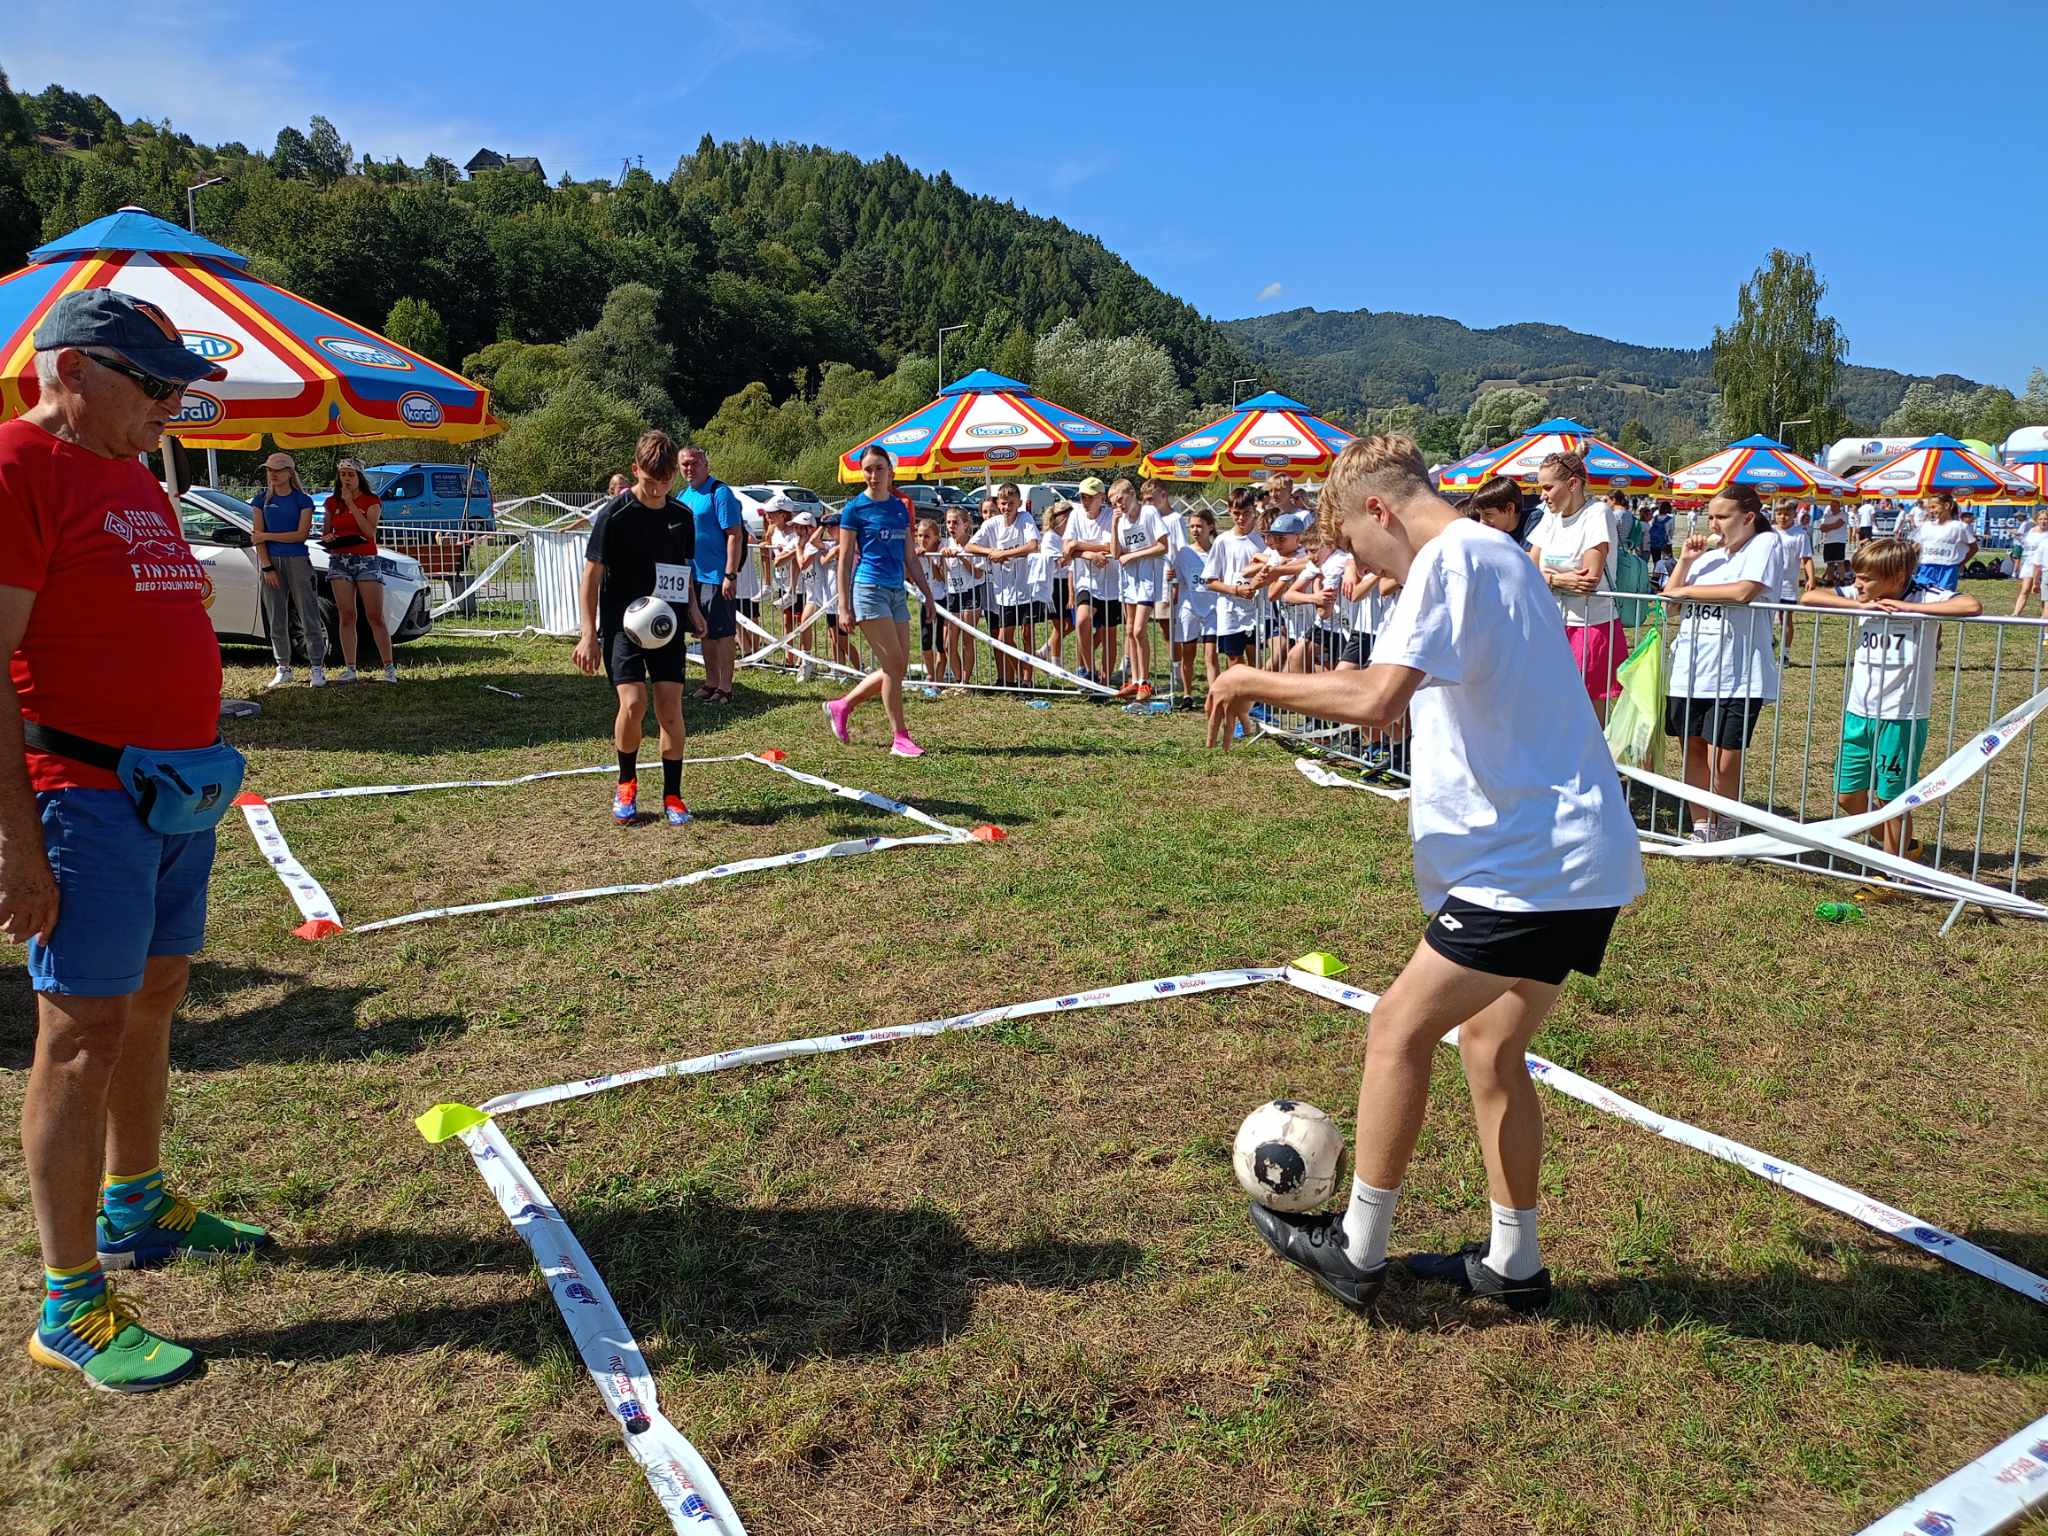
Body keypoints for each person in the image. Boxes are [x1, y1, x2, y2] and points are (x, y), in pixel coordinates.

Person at [1206, 434, 1643, 1317]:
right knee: (1490, 1046)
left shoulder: (1450, 558)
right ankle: (1514, 1263)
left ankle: (1357, 1248)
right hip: (1577, 859)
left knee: (1397, 1030)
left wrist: (1252, 679)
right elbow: (1420, 700)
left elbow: (1377, 700)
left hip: (1527, 866)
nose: (1366, 569)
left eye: (1359, 546)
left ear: (1380, 508)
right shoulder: (1498, 555)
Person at [5, 289, 265, 1393]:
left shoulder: (129, 471)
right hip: (80, 794)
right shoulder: (16, 466)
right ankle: (70, 1303)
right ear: (70, 370)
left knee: (156, 991)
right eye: (152, 384)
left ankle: (137, 1203)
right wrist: (16, 844)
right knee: (79, 1033)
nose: (172, 406)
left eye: (178, 388)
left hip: (172, 791)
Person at [1800, 537, 1980, 880]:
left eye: (1866, 578)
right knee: (1848, 796)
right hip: (1859, 712)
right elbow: (1809, 597)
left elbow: (1971, 605)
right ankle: (1901, 850)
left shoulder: (1924, 595)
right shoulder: (1861, 596)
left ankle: (1890, 873)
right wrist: (1859, 606)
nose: (1857, 583)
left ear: (1897, 577)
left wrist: (1909, 609)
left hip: (1901, 717)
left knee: (1891, 799)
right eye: (1857, 576)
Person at [573, 430, 705, 827]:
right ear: (635, 470)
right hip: (622, 628)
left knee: (670, 710)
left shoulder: (681, 516)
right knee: (633, 705)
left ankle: (673, 795)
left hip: (667, 626)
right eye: (650, 481)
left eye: (665, 481)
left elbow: (684, 570)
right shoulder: (614, 514)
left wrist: (694, 610)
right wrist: (588, 634)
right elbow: (591, 576)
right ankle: (626, 782)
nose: (658, 488)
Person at [1659, 485, 1785, 843]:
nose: (1713, 524)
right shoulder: (1706, 558)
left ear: (1748, 517)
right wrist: (1685, 562)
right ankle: (1701, 826)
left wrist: (1687, 592)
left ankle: (1726, 823)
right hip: (1691, 669)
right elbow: (1669, 605)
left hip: (1737, 673)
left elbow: (1743, 591)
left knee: (1724, 759)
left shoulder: (1765, 544)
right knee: (1693, 750)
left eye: (1722, 517)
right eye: (1710, 516)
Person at [823, 445, 939, 757]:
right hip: (869, 590)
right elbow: (844, 560)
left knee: (897, 668)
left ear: (891, 471)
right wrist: (843, 606)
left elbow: (910, 557)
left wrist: (928, 594)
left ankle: (842, 705)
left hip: (896, 592)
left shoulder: (900, 508)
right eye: (868, 469)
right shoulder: (854, 509)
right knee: (894, 665)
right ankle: (900, 737)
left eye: (879, 468)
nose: (874, 475)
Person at [1527, 451, 1623, 722]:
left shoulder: (1597, 513)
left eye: (1548, 488)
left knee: (1586, 716)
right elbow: (1528, 568)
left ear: (1572, 484)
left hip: (1591, 625)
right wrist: (1556, 580)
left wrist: (1545, 577)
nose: (1542, 496)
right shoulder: (1551, 517)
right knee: (1553, 709)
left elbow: (1588, 579)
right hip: (1554, 623)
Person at [249, 450, 326, 689]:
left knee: (308, 613)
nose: (272, 474)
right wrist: (267, 566)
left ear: (289, 473)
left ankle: (317, 666)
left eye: (277, 470)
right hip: (271, 561)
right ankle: (282, 665)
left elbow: (300, 535)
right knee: (276, 615)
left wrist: (267, 536)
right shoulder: (261, 500)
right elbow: (257, 538)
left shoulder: (303, 500)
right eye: (269, 470)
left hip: (298, 560)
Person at [676, 444, 746, 705]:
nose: (690, 468)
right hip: (692, 576)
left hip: (716, 575)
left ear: (706, 465)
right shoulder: (683, 495)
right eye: (685, 464)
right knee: (703, 631)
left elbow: (734, 535)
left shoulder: (720, 492)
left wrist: (730, 574)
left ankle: (725, 687)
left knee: (723, 633)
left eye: (695, 463)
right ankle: (711, 682)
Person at [323, 458, 396, 683]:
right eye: (343, 474)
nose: (346, 479)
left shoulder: (371, 500)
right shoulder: (331, 502)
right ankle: (350, 668)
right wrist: (328, 537)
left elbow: (369, 531)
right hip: (340, 559)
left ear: (359, 477)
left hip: (365, 558)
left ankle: (389, 668)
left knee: (374, 615)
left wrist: (352, 504)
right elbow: (326, 530)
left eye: (351, 475)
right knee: (346, 614)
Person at [966, 483, 1040, 689]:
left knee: (1027, 635)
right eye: (1003, 503)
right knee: (1003, 638)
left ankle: (1027, 680)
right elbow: (970, 546)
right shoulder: (993, 524)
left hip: (1027, 586)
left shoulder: (1025, 518)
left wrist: (1005, 553)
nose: (1007, 507)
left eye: (1011, 503)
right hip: (1004, 590)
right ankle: (1022, 675)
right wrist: (991, 551)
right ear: (998, 504)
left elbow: (1033, 545)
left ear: (1019, 503)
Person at [1110, 477, 1168, 702]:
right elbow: (1116, 553)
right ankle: (1134, 680)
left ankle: (1144, 680)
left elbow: (1163, 546)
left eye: (1121, 500)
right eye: (1114, 503)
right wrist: (1114, 525)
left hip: (1147, 579)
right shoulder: (1121, 521)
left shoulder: (1149, 513)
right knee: (1129, 630)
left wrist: (1134, 555)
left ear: (1132, 494)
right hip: (1129, 582)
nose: (1119, 506)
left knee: (1138, 630)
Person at [1062, 477, 1120, 684]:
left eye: (1090, 497)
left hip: (1111, 582)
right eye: (1083, 497)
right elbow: (1066, 548)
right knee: (1082, 620)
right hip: (1085, 580)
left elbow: (1110, 547)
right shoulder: (1076, 515)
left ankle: (1105, 680)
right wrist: (1088, 554)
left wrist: (1078, 545)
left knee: (1109, 634)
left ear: (1101, 498)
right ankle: (1088, 670)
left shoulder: (1110, 515)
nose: (1085, 501)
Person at [1203, 488, 1268, 669]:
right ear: (1229, 511)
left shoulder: (1261, 540)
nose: (1241, 518)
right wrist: (1236, 590)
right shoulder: (1222, 541)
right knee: (1234, 659)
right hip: (1230, 610)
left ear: (1254, 510)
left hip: (1255, 609)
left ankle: (1257, 688)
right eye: (1236, 514)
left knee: (1255, 657)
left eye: (1246, 513)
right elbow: (1210, 581)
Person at [1169, 507, 1220, 707]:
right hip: (1190, 608)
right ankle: (1187, 695)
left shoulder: (1218, 550)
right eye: (1192, 527)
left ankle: (1214, 695)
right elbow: (1178, 579)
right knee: (1188, 653)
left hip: (1212, 609)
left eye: (1199, 526)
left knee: (1210, 655)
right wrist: (1171, 578)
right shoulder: (1185, 553)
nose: (1195, 530)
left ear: (1210, 527)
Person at [939, 506, 986, 686]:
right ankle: (959, 680)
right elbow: (942, 575)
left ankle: (965, 682)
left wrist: (962, 556)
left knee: (967, 640)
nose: (951, 526)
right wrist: (941, 559)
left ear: (965, 525)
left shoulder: (974, 544)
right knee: (948, 644)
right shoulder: (945, 544)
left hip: (970, 593)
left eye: (955, 522)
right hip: (952, 594)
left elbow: (979, 574)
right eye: (948, 522)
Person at [1907, 490, 1977, 592]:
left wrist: (1960, 563)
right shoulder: (1926, 526)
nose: (1931, 511)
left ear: (1947, 506)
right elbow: (1916, 546)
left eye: (1933, 507)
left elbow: (1974, 548)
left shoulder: (1959, 527)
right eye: (1929, 508)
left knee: (1943, 596)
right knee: (1922, 595)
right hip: (1925, 567)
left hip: (1948, 569)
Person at [2014, 509, 2048, 618]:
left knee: (2044, 593)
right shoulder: (2032, 530)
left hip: (2044, 564)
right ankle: (2016, 613)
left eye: (2045, 519)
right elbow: (2026, 544)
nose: (2043, 521)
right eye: (2041, 519)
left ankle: (2044, 617)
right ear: (2037, 520)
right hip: (2030, 562)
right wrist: (2018, 537)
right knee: (2025, 589)